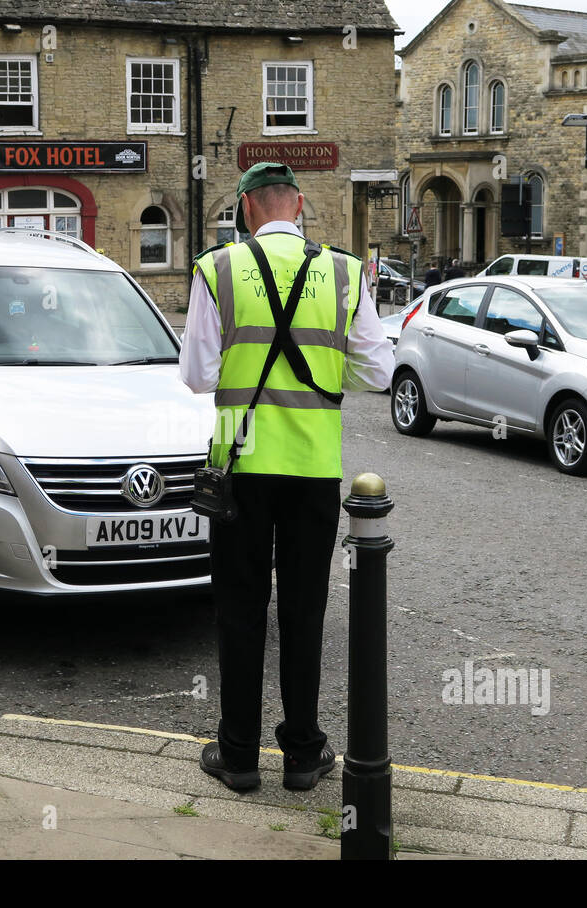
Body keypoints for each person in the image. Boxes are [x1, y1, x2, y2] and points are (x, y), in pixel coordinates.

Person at [180, 162, 394, 792]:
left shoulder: (215, 269)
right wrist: (325, 375)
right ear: (297, 206)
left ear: (246, 210)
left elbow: (197, 374)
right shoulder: (344, 271)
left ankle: (239, 755)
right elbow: (377, 372)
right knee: (304, 612)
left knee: (239, 612)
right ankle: (302, 753)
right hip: (311, 472)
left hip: (239, 470)